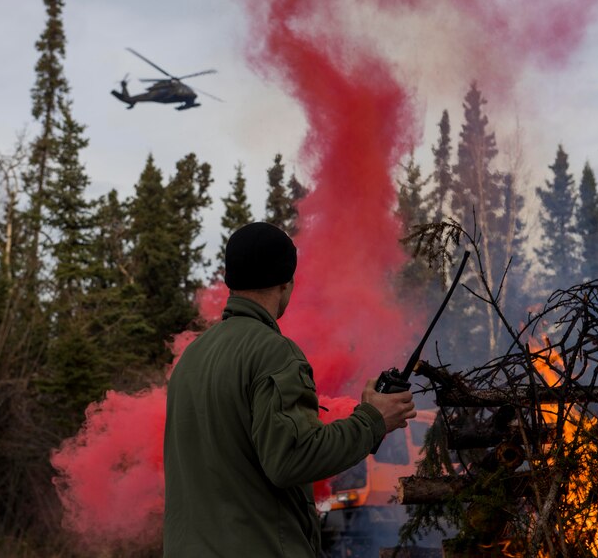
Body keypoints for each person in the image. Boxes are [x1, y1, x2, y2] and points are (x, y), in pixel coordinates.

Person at [163, 222, 417, 557]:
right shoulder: (273, 351)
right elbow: (291, 459)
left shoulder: (190, 359)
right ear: (287, 283)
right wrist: (373, 420)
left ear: (231, 280)